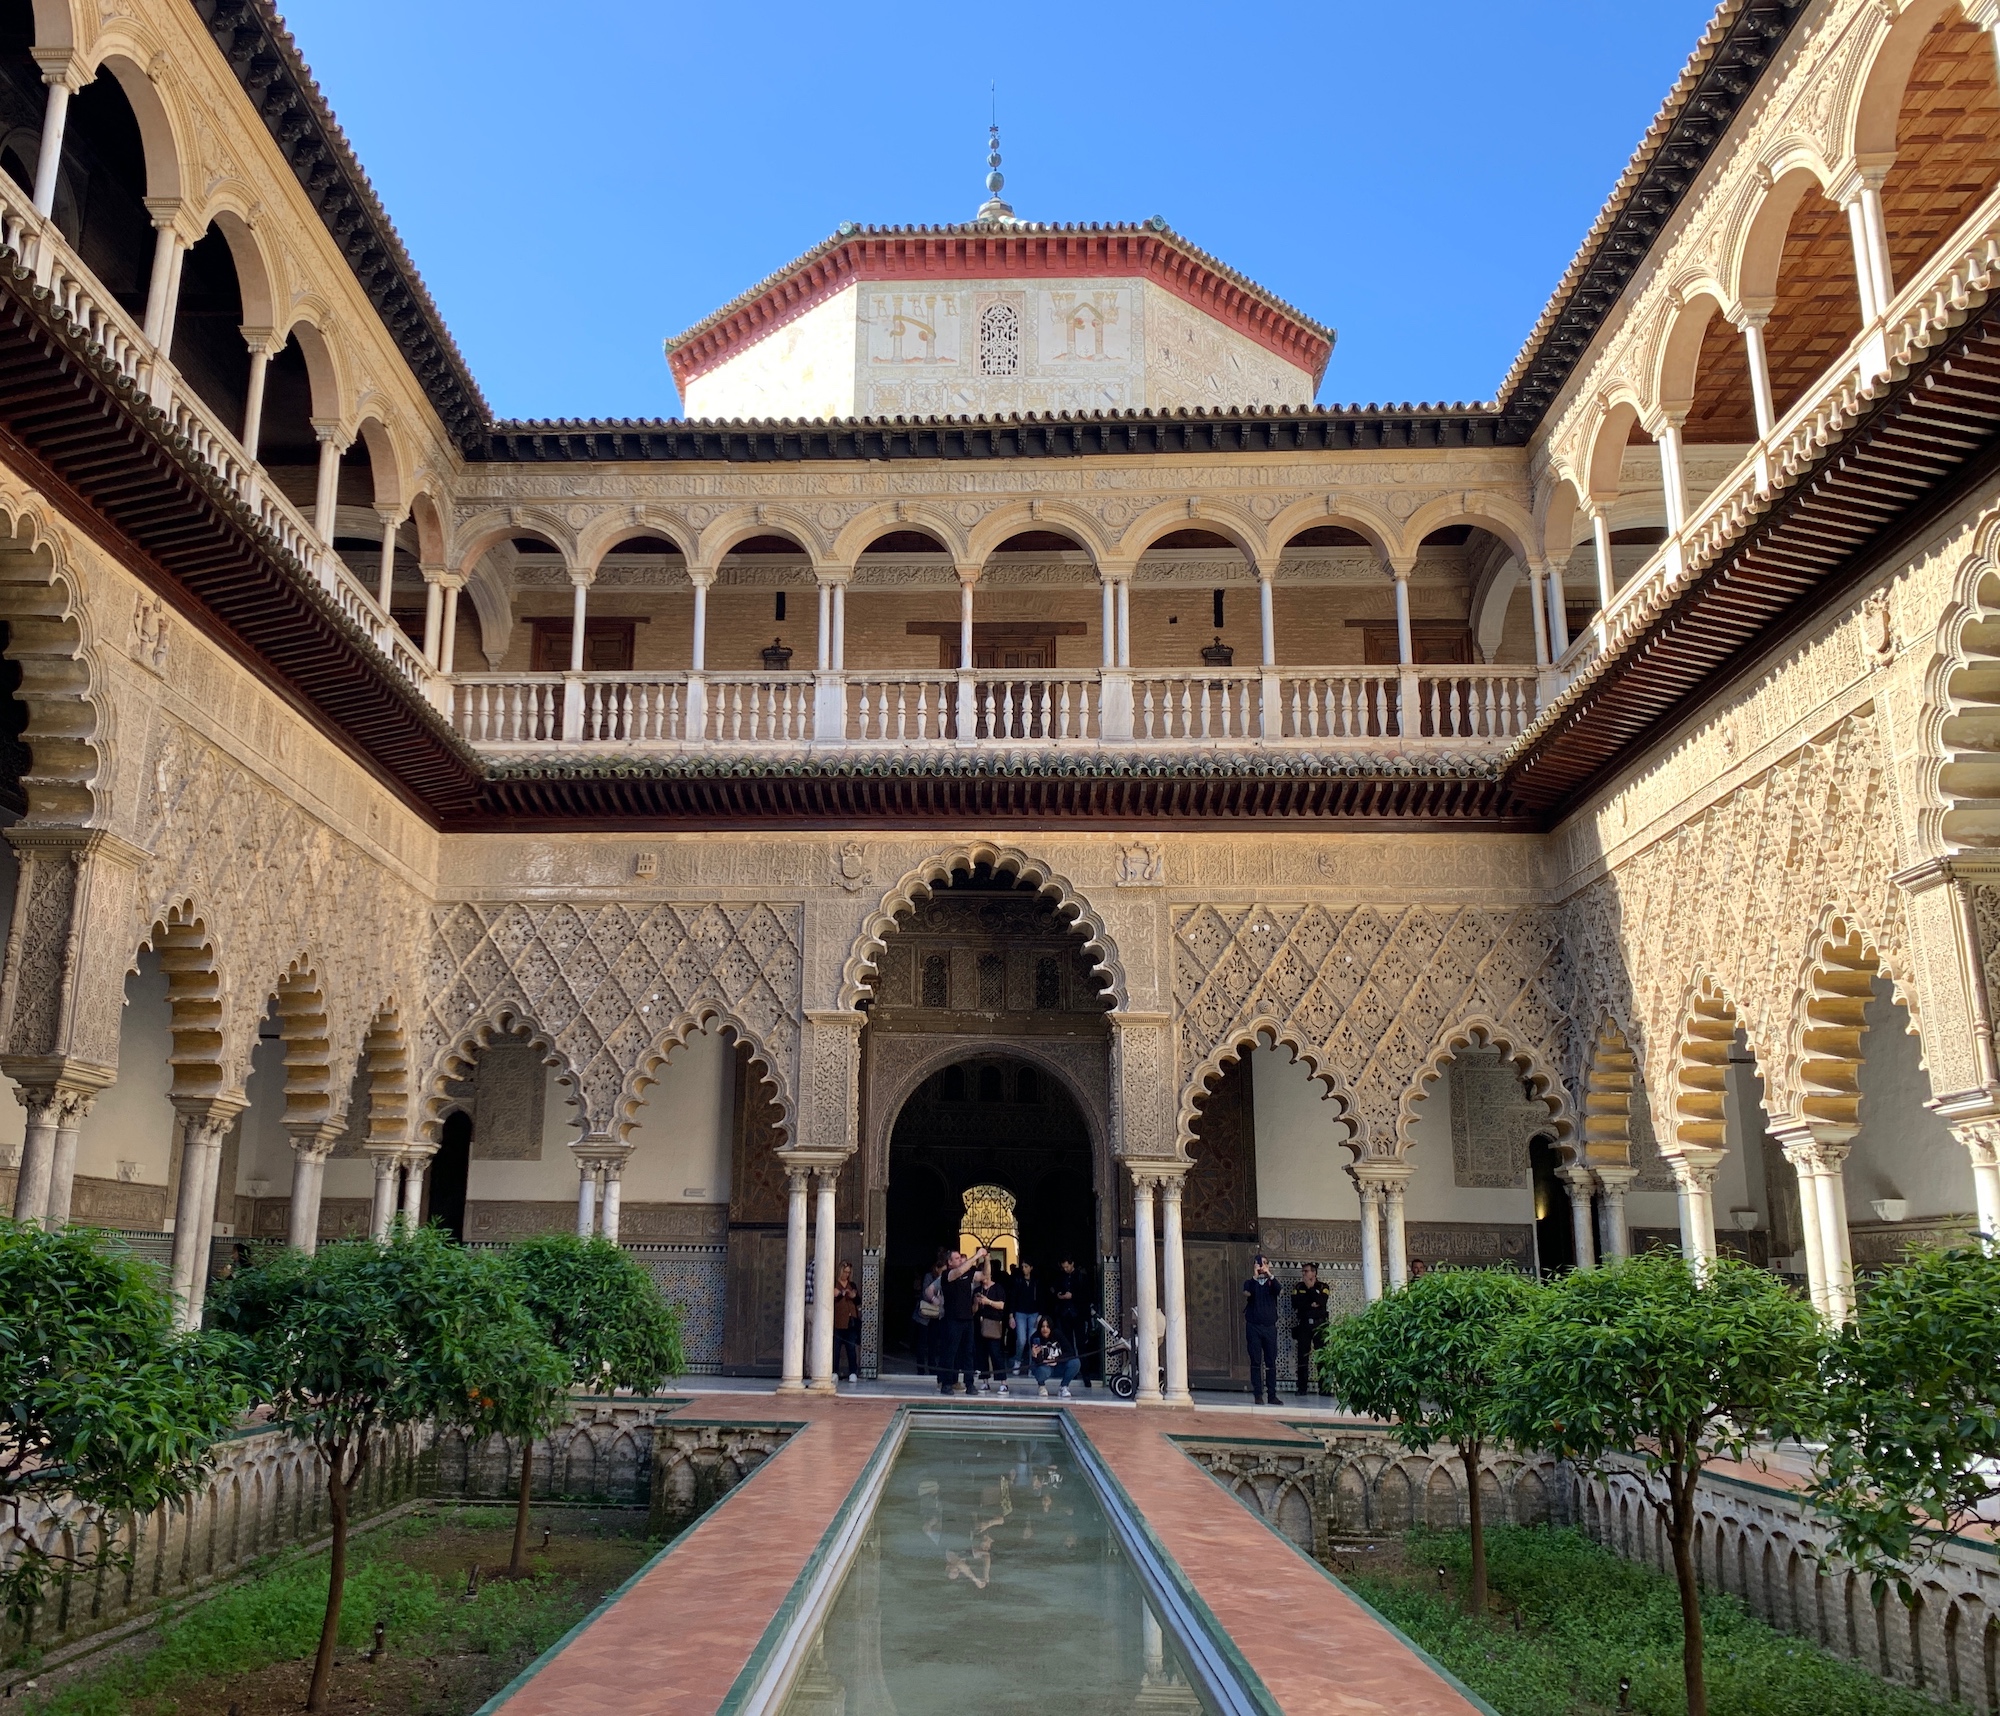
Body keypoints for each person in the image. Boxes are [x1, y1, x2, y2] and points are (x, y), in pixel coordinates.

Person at [937, 1246, 981, 1395]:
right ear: (949, 1262)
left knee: (968, 1352)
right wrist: (976, 1256)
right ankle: (947, 1383)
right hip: (953, 1320)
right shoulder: (947, 1275)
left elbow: (985, 1276)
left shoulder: (967, 1274)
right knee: (951, 1352)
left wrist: (986, 1259)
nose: (959, 1260)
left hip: (967, 1319)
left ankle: (970, 1384)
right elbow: (960, 1271)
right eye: (956, 1258)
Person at [1243, 1253, 1283, 1406]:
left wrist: (1269, 1275)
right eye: (1258, 1264)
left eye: (1264, 1263)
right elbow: (1247, 1293)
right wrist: (1255, 1277)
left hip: (1269, 1328)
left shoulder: (1271, 1284)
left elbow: (1279, 1290)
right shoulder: (1249, 1283)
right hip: (1254, 1327)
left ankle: (1272, 1395)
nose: (1261, 1266)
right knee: (1255, 1361)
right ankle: (1258, 1394)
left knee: (1270, 1361)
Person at [1290, 1261, 1330, 1397]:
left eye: (1306, 1271)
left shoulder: (1323, 1286)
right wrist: (1311, 1303)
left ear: (1314, 1273)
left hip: (1320, 1326)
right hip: (1304, 1325)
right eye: (1303, 1271)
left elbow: (1322, 1302)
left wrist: (1312, 1289)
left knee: (1322, 1357)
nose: (1304, 1274)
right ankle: (1302, 1388)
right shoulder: (1298, 1287)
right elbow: (1295, 1304)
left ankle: (1325, 1389)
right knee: (1302, 1356)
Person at [974, 1266, 1009, 1393]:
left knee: (995, 1353)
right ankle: (985, 1381)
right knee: (981, 1354)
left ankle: (1003, 1382)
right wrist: (976, 1302)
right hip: (979, 1324)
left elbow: (1002, 1305)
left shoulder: (998, 1288)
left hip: (993, 1323)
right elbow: (973, 1310)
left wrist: (988, 1301)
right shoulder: (978, 1289)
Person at [1028, 1315, 1080, 1398]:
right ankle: (1041, 1386)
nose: (1045, 1329)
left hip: (1058, 1365)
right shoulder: (1035, 1337)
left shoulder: (1057, 1334)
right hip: (1044, 1367)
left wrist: (1056, 1360)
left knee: (1075, 1362)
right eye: (1043, 1326)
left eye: (1047, 1326)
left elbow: (1070, 1352)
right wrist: (1035, 1355)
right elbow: (1036, 1361)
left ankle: (1064, 1386)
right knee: (1040, 1369)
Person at [915, 1249, 946, 1374]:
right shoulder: (929, 1277)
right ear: (938, 1269)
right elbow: (925, 1292)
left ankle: (933, 1367)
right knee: (922, 1343)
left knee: (933, 1343)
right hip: (924, 1316)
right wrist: (934, 1298)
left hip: (937, 1316)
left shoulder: (946, 1278)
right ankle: (920, 1368)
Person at [1007, 1259, 1041, 1376]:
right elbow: (1012, 1297)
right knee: (1021, 1340)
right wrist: (1011, 1315)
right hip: (1020, 1313)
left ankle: (1032, 1365)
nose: (1024, 1269)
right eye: (1022, 1267)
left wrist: (1040, 1315)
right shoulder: (1017, 1281)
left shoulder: (1036, 1281)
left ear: (1031, 1268)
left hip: (1034, 1313)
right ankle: (1017, 1361)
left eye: (1026, 1266)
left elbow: (1042, 1298)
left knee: (1033, 1340)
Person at [831, 1259, 862, 1383]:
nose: (846, 1275)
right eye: (845, 1272)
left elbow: (858, 1301)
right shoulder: (834, 1284)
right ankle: (834, 1372)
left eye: (848, 1272)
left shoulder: (852, 1285)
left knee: (851, 1347)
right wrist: (839, 1294)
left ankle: (853, 1372)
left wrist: (853, 1296)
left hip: (851, 1321)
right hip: (838, 1321)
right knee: (836, 1348)